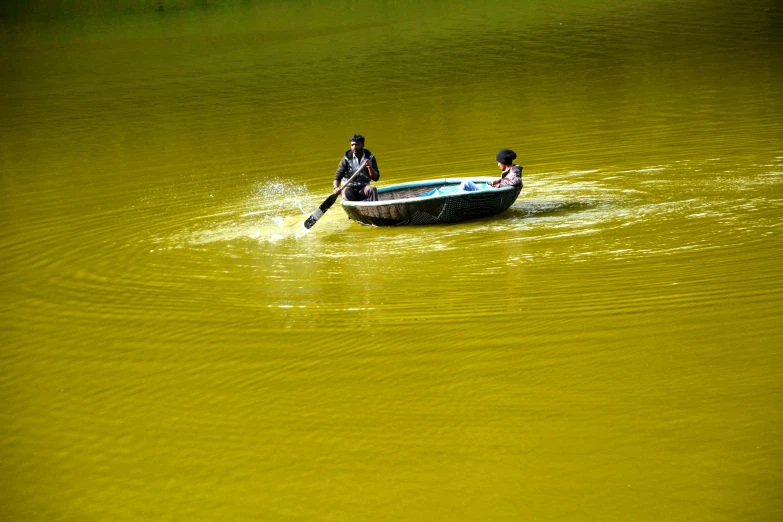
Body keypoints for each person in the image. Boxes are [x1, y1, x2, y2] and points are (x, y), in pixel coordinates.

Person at [333, 134, 380, 201]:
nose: (354, 147)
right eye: (352, 145)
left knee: (372, 189)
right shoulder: (346, 159)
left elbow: (375, 178)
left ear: (362, 145)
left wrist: (370, 167)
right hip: (349, 187)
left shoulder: (370, 157)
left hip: (363, 186)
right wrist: (336, 187)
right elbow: (338, 175)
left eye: (357, 145)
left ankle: (375, 209)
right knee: (346, 193)